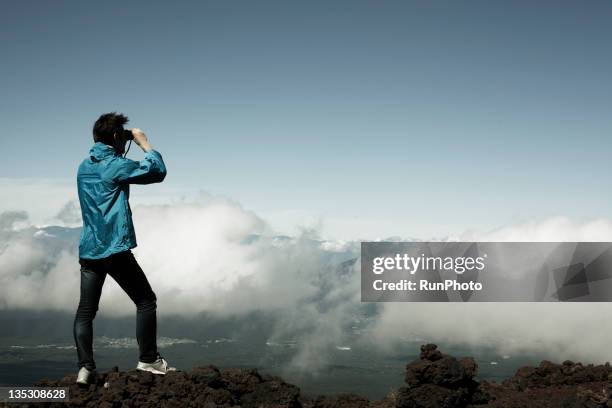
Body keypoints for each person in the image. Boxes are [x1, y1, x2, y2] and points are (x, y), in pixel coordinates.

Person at [73, 112, 175, 385]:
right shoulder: (115, 165)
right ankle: (149, 359)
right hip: (115, 249)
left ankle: (85, 368)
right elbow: (157, 172)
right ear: (117, 137)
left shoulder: (83, 166)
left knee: (86, 311)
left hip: (89, 251)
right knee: (146, 301)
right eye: (122, 136)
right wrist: (144, 144)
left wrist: (120, 138)